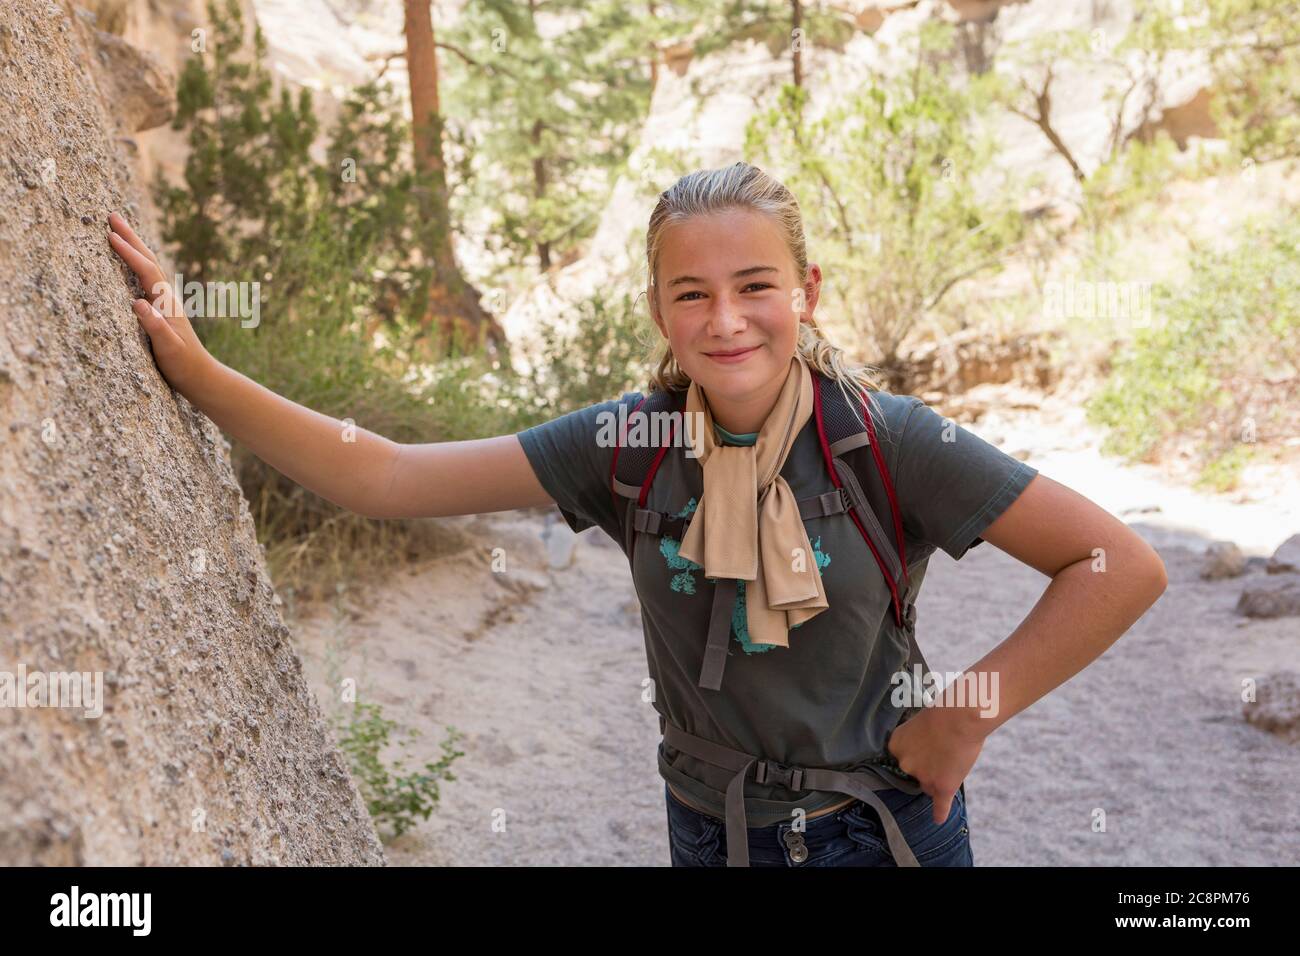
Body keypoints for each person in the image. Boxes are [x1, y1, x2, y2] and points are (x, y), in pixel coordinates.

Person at [108, 160, 1167, 868]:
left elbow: (1115, 562)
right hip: (709, 827)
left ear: (806, 287)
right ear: (658, 308)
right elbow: (383, 475)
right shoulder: (627, 441)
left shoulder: (884, 438)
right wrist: (198, 368)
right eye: (690, 292)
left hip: (878, 828)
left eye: (754, 284)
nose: (726, 318)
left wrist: (965, 712)